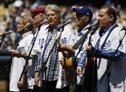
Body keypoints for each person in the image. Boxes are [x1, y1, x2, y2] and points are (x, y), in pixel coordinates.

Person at [85, 5, 126, 92]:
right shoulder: (101, 33)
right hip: (102, 80)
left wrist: (94, 51)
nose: (98, 18)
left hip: (116, 80)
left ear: (111, 17)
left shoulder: (119, 32)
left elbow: (117, 54)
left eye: (101, 16)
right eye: (98, 16)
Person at [59, 6, 93, 92]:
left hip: (85, 76)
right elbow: (74, 53)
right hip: (75, 74)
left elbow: (84, 52)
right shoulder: (78, 32)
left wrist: (66, 47)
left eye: (79, 15)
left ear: (86, 18)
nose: (75, 17)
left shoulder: (90, 33)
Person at [34, 4, 61, 92]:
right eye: (48, 15)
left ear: (58, 15)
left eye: (52, 15)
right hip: (44, 74)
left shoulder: (65, 30)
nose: (50, 17)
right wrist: (37, 71)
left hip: (57, 74)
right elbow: (39, 52)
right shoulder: (43, 30)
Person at [9, 15, 33, 92]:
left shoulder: (30, 38)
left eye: (19, 23)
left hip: (23, 81)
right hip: (18, 79)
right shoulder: (23, 38)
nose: (17, 25)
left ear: (26, 26)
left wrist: (22, 78)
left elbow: (29, 60)